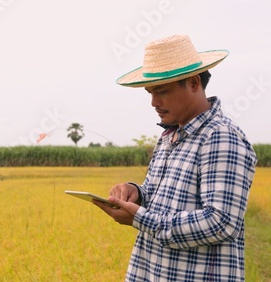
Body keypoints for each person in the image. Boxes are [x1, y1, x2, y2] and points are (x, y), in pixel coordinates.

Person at [92, 34, 257, 281]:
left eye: (162, 91)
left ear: (193, 83)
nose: (153, 102)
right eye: (150, 92)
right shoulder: (170, 136)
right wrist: (136, 193)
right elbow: (160, 199)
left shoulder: (221, 137)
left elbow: (221, 222)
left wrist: (140, 218)